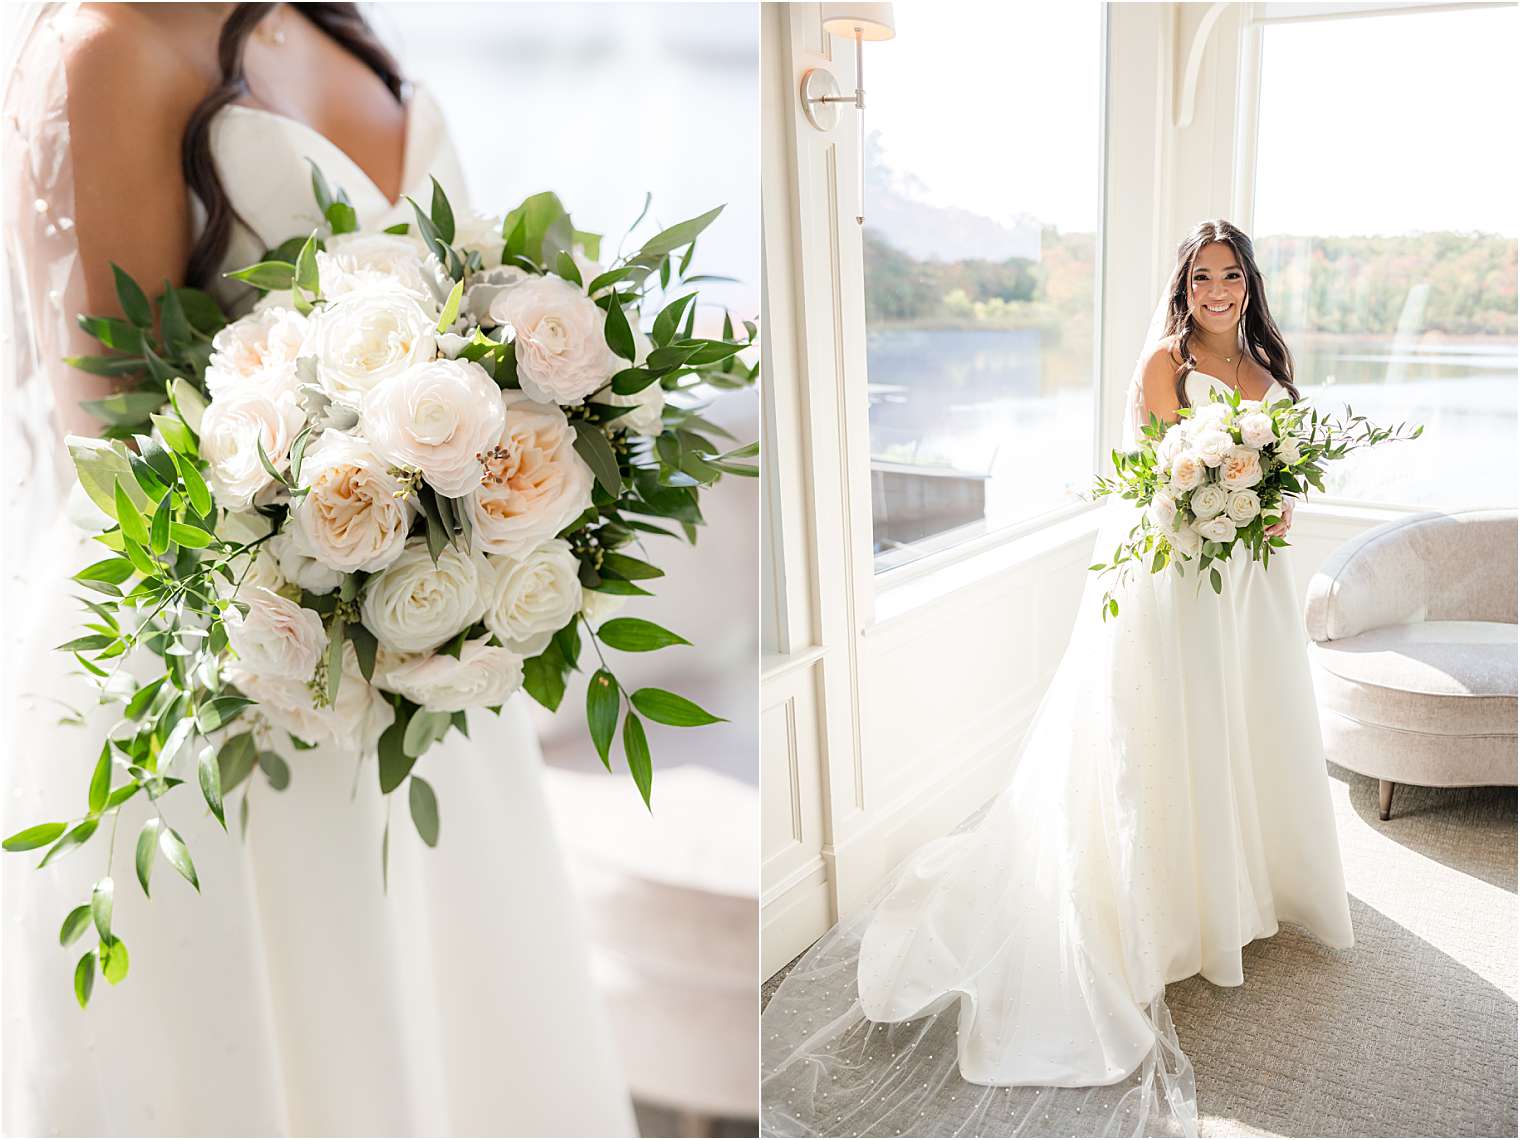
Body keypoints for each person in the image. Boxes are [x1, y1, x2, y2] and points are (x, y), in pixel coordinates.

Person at [2, 5, 635, 1134]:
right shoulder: (103, 48)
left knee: (464, 1028)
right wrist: (361, 498)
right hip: (233, 685)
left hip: (427, 661)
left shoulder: (323, 16)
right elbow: (123, 477)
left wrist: (495, 488)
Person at [761, 220, 1354, 1138]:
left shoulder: (1266, 362)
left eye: (1231, 276)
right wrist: (1213, 499)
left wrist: (1266, 510)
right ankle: (1164, 917)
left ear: (1249, 283)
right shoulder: (1166, 364)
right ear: (1185, 285)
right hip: (1178, 574)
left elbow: (1275, 481)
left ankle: (1247, 887)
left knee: (1244, 726)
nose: (1218, 291)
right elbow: (1159, 483)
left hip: (1246, 584)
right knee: (1169, 734)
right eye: (1203, 277)